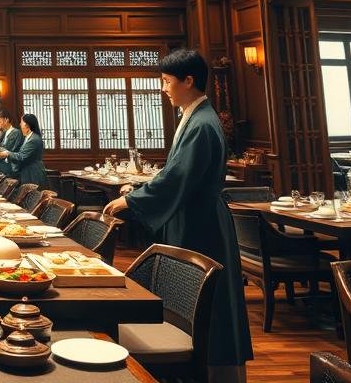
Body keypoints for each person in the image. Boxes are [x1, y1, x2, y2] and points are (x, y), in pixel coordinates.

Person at [105, 48, 252, 382]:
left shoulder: (201, 124)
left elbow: (177, 178)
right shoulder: (196, 116)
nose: (163, 88)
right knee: (193, 302)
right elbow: (175, 171)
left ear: (188, 81)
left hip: (201, 224)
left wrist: (132, 201)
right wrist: (139, 189)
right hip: (194, 216)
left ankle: (205, 370)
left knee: (203, 304)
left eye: (166, 81)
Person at [0, 113, 45, 186]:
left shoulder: (33, 139)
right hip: (27, 172)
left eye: (21, 122)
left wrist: (7, 153)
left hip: (33, 173)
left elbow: (21, 156)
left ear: (27, 125)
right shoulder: (28, 137)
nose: (20, 124)